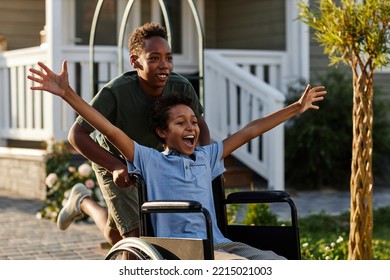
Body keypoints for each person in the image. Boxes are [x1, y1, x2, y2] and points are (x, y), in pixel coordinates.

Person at [27, 59, 326, 259]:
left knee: (278, 262)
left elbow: (250, 131)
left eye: (193, 121)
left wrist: (295, 108)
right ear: (161, 131)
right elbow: (108, 129)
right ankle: (84, 202)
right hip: (182, 251)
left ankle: (83, 202)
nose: (191, 127)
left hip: (219, 242)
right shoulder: (148, 160)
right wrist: (68, 94)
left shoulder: (207, 157)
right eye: (180, 122)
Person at [56, 22, 210, 246]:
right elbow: (77, 135)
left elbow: (201, 125)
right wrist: (115, 166)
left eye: (168, 58)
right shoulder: (115, 92)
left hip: (152, 161)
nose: (164, 65)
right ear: (135, 61)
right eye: (154, 58)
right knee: (136, 235)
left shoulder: (181, 85)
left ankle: (82, 201)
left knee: (116, 235)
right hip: (115, 160)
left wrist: (201, 158)